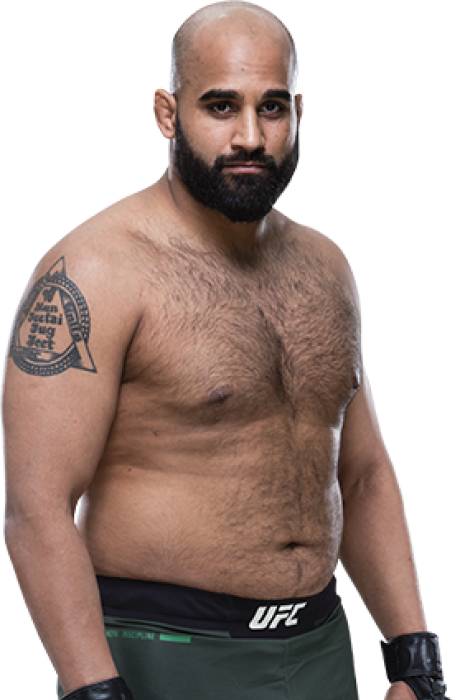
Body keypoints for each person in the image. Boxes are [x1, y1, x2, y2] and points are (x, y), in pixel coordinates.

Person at [2, 2, 449, 699]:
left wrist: (412, 655)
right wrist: (94, 689)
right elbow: (36, 508)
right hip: (165, 652)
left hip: (320, 650)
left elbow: (360, 474)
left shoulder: (325, 267)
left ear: (298, 111)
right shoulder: (95, 271)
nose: (250, 136)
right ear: (167, 113)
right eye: (220, 106)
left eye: (272, 107)